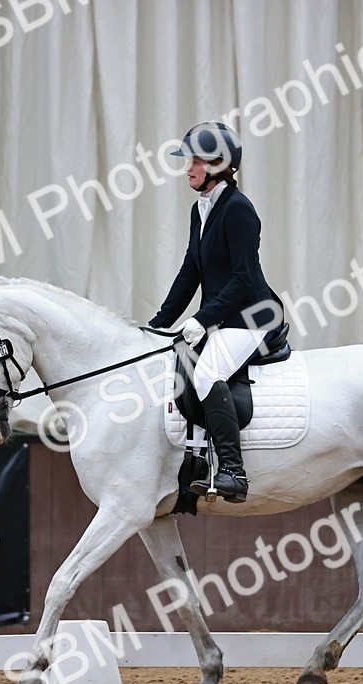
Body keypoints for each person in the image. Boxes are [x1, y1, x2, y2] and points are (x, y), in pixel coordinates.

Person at [149, 122, 282, 503]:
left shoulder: (239, 211)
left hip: (255, 314)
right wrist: (158, 325)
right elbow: (191, 270)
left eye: (194, 161)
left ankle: (233, 472)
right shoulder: (200, 208)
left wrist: (202, 319)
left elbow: (242, 279)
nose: (187, 168)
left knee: (207, 373)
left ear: (218, 165)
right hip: (226, 313)